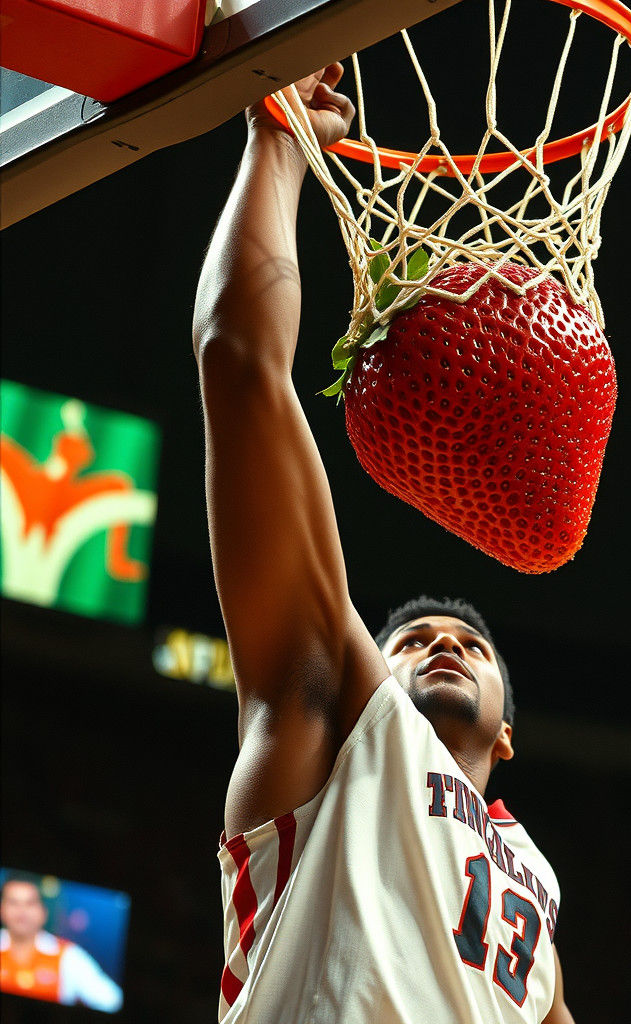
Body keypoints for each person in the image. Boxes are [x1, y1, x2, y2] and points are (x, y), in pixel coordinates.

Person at [192, 63, 574, 1024]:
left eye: (473, 646)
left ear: (509, 732)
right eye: (412, 642)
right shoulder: (327, 714)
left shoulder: (533, 881)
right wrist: (278, 138)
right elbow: (240, 366)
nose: (447, 643)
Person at [0, 875, 123, 1012]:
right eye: (13, 903)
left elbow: (113, 1001)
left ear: (43, 912)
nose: (21, 912)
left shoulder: (68, 955)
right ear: (2, 909)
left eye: (29, 903)